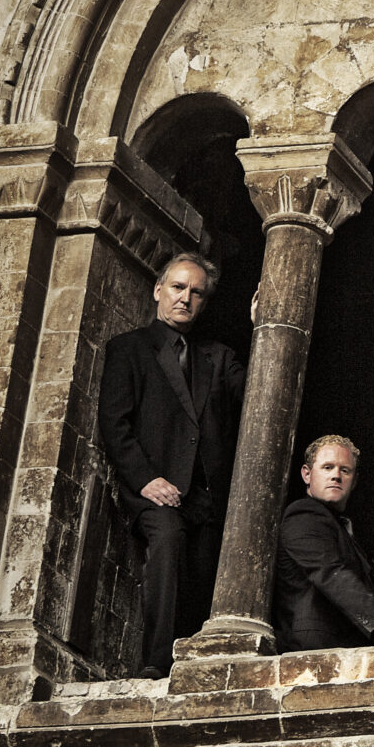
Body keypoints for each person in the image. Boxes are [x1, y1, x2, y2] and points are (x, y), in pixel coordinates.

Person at [99, 252, 246, 676]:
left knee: (209, 564)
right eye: (178, 288)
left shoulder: (216, 357)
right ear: (158, 290)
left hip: (204, 494)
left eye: (196, 292)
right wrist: (145, 480)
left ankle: (199, 666)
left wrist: (266, 324)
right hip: (153, 490)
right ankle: (156, 664)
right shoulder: (128, 348)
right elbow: (115, 422)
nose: (186, 298)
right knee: (167, 540)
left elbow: (256, 392)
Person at [272, 435, 374, 651]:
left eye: (344, 470)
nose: (336, 476)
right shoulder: (303, 515)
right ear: (307, 474)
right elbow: (329, 573)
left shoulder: (340, 528)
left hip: (346, 644)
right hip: (316, 648)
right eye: (327, 467)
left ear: (354, 481)